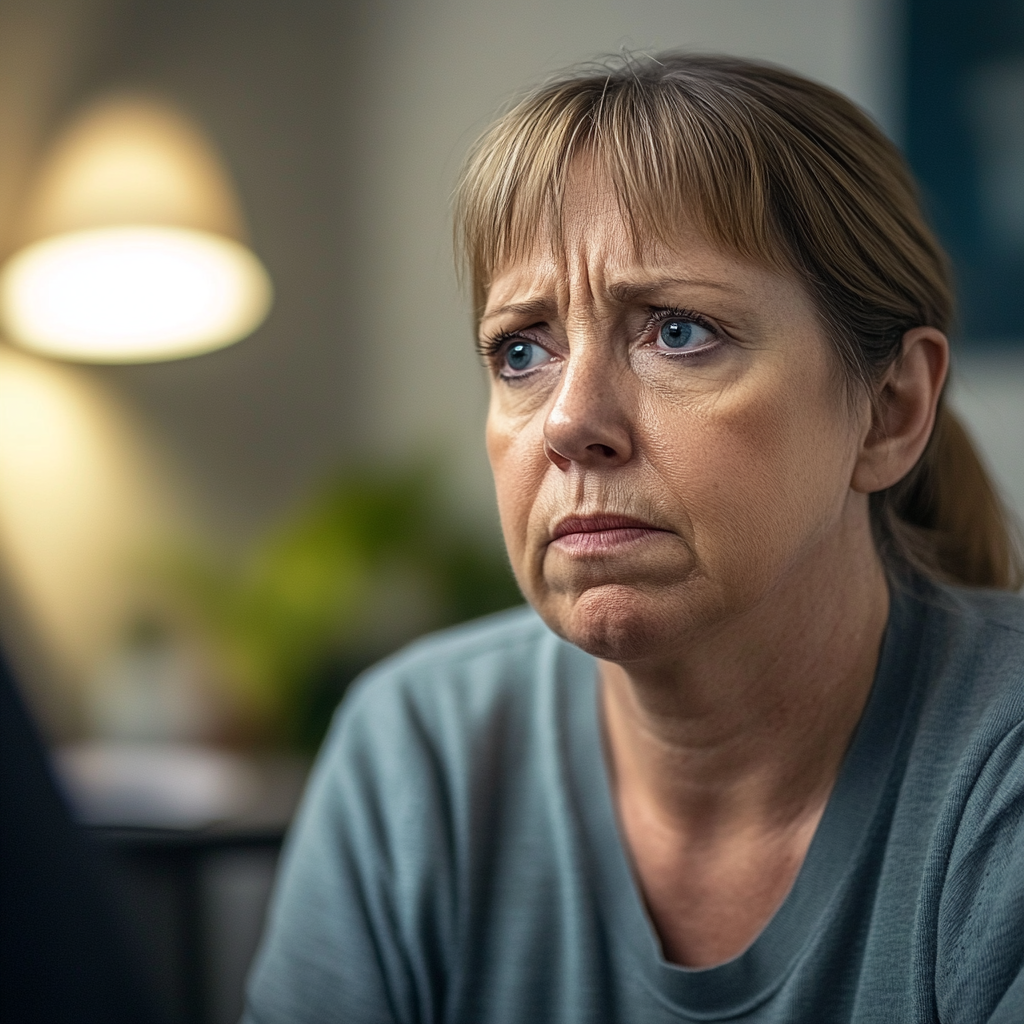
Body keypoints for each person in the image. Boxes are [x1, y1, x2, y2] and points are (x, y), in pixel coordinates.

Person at [244, 54, 1024, 1023]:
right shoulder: (417, 756)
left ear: (890, 410)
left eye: (678, 331)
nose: (570, 421)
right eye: (521, 350)